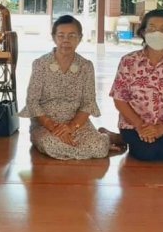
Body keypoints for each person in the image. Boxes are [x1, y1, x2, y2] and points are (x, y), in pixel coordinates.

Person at [19, 15, 121, 160]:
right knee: (52, 145)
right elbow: (32, 102)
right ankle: (97, 142)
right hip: (46, 125)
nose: (66, 40)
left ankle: (104, 138)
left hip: (78, 124)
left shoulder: (86, 66)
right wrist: (54, 128)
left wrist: (71, 127)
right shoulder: (40, 64)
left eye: (72, 36)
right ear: (54, 37)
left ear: (79, 38)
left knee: (99, 148)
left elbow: (88, 102)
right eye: (61, 35)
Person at [109, 9, 163, 163]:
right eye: (152, 28)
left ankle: (120, 138)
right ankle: (120, 137)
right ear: (143, 32)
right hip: (134, 125)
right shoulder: (129, 61)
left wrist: (162, 128)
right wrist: (140, 125)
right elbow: (119, 100)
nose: (157, 33)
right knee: (146, 154)